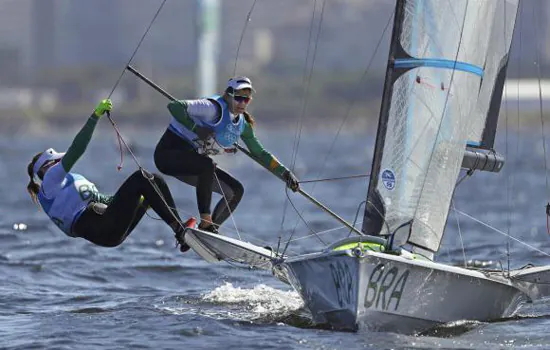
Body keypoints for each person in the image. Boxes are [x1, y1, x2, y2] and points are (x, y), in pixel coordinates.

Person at [26, 99, 191, 252]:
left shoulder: (69, 182)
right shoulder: (49, 183)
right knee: (141, 177)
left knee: (154, 181)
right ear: (47, 167)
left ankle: (181, 232)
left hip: (111, 233)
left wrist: (137, 201)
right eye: (57, 161)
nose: (61, 163)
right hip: (101, 228)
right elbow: (76, 149)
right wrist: (94, 117)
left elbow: (106, 201)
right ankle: (180, 231)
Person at [154, 76, 300, 233]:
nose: (242, 103)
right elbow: (174, 106)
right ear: (228, 95)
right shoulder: (211, 108)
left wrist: (285, 173)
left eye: (246, 100)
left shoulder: (243, 125)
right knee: (206, 165)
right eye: (238, 98)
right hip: (167, 156)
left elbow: (260, 153)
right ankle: (206, 221)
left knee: (236, 191)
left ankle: (207, 233)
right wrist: (196, 128)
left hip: (193, 165)